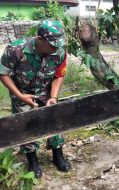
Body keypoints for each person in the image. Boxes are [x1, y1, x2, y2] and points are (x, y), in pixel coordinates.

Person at [0, 20, 71, 179]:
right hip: (22, 92)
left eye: (58, 44)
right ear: (40, 39)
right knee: (27, 125)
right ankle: (32, 160)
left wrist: (53, 96)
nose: (56, 48)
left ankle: (57, 154)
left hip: (46, 91)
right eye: (52, 44)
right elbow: (3, 73)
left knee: (54, 119)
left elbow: (59, 75)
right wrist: (20, 96)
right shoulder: (16, 49)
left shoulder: (59, 51)